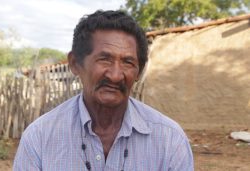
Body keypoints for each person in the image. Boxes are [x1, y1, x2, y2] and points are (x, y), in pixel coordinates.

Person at [13, 10, 194, 171]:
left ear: (139, 71)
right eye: (104, 59)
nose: (116, 75)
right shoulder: (40, 137)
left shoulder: (170, 139)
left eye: (128, 62)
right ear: (75, 64)